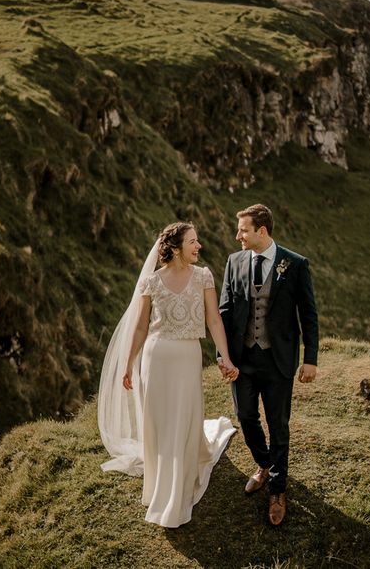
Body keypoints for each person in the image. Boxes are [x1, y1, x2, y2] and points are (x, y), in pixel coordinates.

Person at [98, 222, 239, 528]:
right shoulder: (151, 281)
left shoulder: (203, 276)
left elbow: (214, 320)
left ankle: (180, 482)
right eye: (193, 241)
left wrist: (224, 356)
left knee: (185, 416)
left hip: (187, 357)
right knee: (160, 420)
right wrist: (128, 365)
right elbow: (139, 326)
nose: (199, 246)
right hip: (155, 357)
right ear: (175, 248)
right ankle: (161, 481)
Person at [218, 204, 319, 526]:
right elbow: (224, 310)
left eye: (243, 230)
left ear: (262, 231)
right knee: (245, 416)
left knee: (278, 424)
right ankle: (264, 465)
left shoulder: (296, 264)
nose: (238, 237)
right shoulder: (234, 262)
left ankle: (277, 489)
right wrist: (223, 355)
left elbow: (309, 315)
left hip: (278, 361)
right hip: (243, 359)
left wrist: (310, 359)